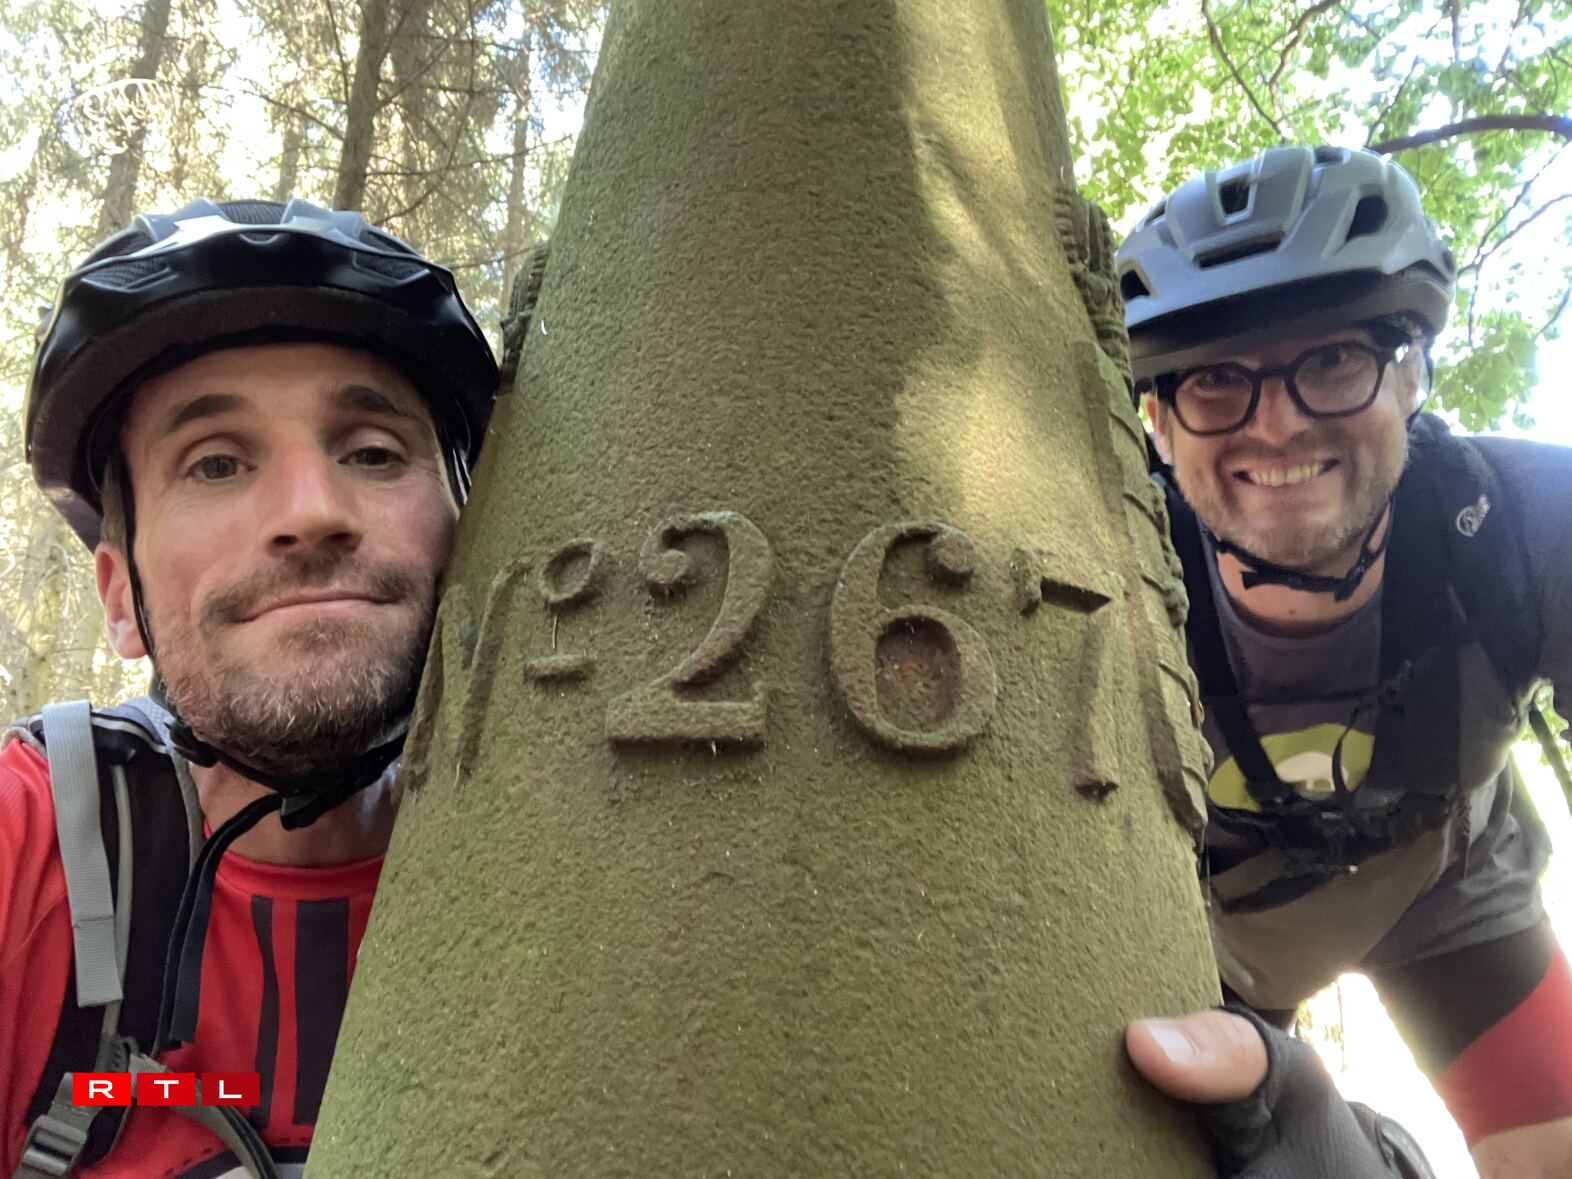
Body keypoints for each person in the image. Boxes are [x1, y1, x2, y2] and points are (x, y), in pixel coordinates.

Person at [0, 198, 1428, 1179]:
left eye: (374, 451)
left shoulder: (617, 849)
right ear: (118, 591)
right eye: (216, 462)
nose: (310, 509)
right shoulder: (37, 848)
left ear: (472, 526)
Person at [1116, 143, 1572, 1178]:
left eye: (1331, 360)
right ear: (1157, 422)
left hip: (1447, 890)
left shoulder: (1517, 529)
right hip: (1212, 940)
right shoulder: (1104, 560)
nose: (1277, 425)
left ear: (1409, 374)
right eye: (1217, 380)